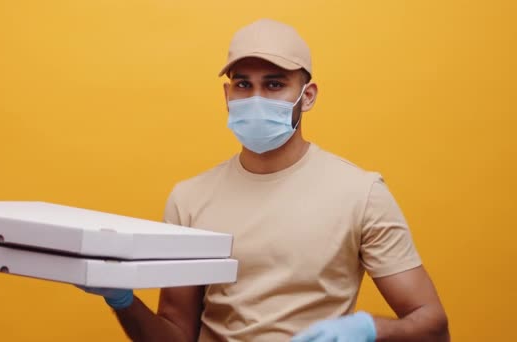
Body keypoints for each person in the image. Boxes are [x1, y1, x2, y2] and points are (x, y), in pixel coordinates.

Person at [79, 18, 449, 342]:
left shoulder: (361, 194)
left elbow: (433, 327)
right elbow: (175, 333)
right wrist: (123, 300)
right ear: (227, 95)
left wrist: (369, 329)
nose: (255, 98)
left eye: (274, 85)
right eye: (243, 85)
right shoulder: (189, 199)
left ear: (307, 96)